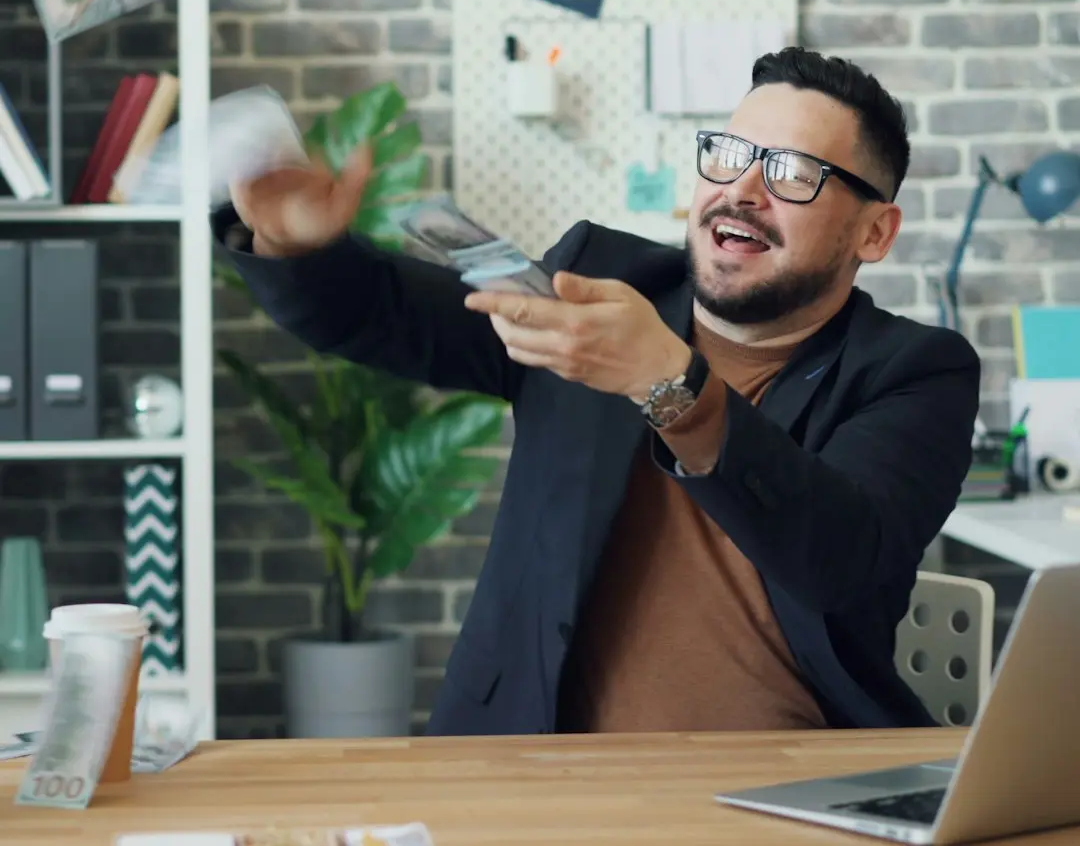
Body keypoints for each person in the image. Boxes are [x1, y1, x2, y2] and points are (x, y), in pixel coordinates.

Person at [214, 47, 981, 736]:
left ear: (875, 234)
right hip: (537, 774)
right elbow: (390, 318)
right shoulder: (603, 280)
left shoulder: (915, 371)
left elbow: (842, 558)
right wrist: (297, 245)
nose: (743, 189)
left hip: (791, 791)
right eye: (729, 154)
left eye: (791, 173)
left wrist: (670, 383)